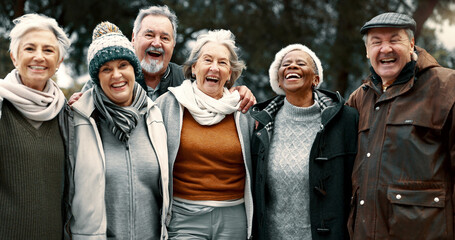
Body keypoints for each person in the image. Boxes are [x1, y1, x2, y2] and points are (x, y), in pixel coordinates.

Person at [347, 12, 455, 239]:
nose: (385, 49)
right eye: (376, 42)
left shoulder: (446, 87)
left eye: (394, 40)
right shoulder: (360, 98)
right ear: (367, 52)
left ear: (412, 44)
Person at [68, 22, 169, 239]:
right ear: (96, 78)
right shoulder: (79, 118)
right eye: (106, 69)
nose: (116, 75)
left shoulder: (155, 116)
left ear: (134, 69)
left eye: (123, 65)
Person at [250, 44, 358, 240]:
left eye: (301, 63)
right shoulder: (261, 124)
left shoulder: (344, 120)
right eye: (286, 64)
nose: (292, 67)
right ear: (279, 81)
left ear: (316, 79)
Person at [156, 29, 255, 239]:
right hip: (184, 217)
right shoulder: (168, 104)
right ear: (194, 68)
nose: (214, 68)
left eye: (222, 63)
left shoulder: (244, 110)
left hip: (234, 217)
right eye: (207, 60)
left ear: (230, 74)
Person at [71, 5, 255, 112]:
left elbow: (217, 95)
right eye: (149, 35)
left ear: (173, 44)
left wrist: (239, 91)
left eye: (165, 38)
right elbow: (82, 108)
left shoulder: (188, 80)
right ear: (133, 39)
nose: (157, 43)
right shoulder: (111, 79)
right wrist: (75, 105)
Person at [0, 13, 71, 239]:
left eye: (48, 50)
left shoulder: (66, 113)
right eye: (30, 49)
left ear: (58, 62)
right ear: (14, 57)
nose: (39, 57)